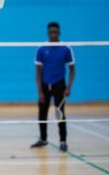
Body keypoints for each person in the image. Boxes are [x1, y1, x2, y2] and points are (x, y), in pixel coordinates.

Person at [31, 22, 75, 152]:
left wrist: (68, 87)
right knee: (42, 114)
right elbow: (38, 72)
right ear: (48, 33)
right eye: (51, 32)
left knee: (60, 114)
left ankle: (63, 141)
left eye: (55, 32)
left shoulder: (66, 48)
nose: (53, 34)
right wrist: (40, 92)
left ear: (59, 32)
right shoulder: (41, 48)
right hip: (44, 85)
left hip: (59, 84)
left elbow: (72, 69)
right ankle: (43, 139)